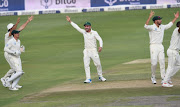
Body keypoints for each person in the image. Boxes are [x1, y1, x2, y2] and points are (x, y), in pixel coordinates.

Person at [66, 16, 106, 83]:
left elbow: (100, 39)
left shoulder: (94, 32)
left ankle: (100, 76)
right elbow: (77, 27)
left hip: (93, 50)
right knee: (86, 65)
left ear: (90, 26)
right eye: (85, 26)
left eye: (87, 26)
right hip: (86, 50)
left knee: (98, 64)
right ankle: (88, 79)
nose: (86, 27)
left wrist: (101, 46)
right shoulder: (84, 32)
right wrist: (70, 21)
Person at [144, 10, 179, 84]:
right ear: (155, 21)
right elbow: (145, 26)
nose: (161, 20)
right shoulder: (152, 27)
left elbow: (169, 25)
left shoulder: (162, 27)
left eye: (160, 19)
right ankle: (153, 76)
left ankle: (163, 78)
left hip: (160, 46)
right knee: (154, 63)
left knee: (162, 62)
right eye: (159, 19)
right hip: (153, 46)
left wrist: (175, 18)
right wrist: (150, 17)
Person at [2, 16, 33, 90]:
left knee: (15, 70)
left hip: (14, 53)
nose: (15, 28)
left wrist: (27, 21)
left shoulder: (14, 34)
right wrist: (17, 23)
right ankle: (5, 79)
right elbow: (13, 30)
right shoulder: (8, 35)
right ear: (10, 29)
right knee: (15, 69)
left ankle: (12, 83)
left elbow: (21, 28)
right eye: (13, 27)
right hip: (9, 53)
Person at [162, 21, 180, 87]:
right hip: (172, 51)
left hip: (176, 52)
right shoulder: (176, 30)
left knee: (179, 64)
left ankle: (168, 77)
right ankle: (165, 82)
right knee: (170, 67)